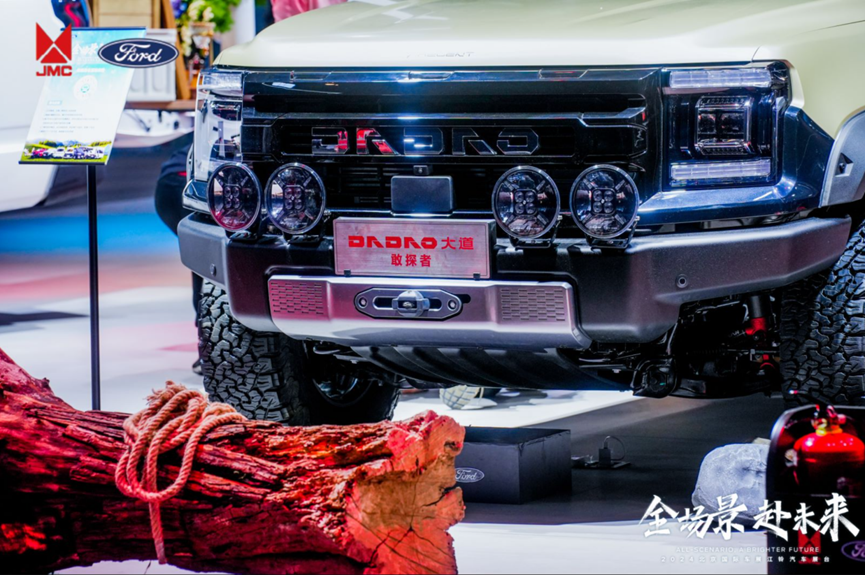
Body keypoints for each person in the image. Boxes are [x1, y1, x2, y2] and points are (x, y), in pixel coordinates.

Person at [153, 143, 204, 374]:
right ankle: (209, 350)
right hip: (190, 185)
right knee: (210, 266)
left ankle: (209, 347)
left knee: (206, 264)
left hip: (168, 185)